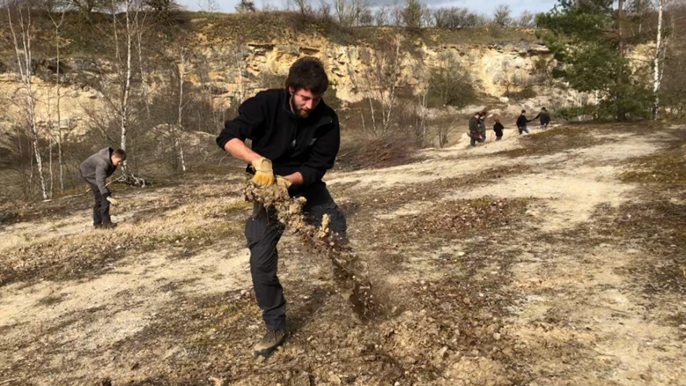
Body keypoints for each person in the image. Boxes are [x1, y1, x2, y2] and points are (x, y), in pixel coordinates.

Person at [215, 57, 347, 357]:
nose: (310, 105)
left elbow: (319, 165)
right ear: (291, 89)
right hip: (265, 190)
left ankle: (357, 293)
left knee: (336, 233)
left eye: (316, 98)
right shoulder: (265, 104)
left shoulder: (327, 119)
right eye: (304, 97)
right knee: (260, 258)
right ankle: (275, 324)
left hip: (306, 187)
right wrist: (256, 160)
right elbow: (227, 136)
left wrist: (288, 181)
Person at [79, 148, 126, 229]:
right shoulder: (103, 163)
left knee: (101, 198)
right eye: (119, 161)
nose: (119, 163)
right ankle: (105, 223)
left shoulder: (111, 161)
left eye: (121, 161)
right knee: (103, 197)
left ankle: (98, 223)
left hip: (95, 175)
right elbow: (100, 180)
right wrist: (106, 194)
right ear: (113, 157)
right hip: (88, 174)